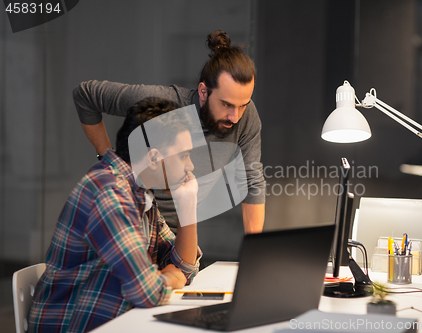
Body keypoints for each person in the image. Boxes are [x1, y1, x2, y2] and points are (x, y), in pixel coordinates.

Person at [29, 97, 202, 333]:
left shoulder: (140, 194)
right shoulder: (111, 193)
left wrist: (187, 209)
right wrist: (170, 278)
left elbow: (184, 267)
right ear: (153, 158)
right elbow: (149, 292)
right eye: (184, 155)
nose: (190, 166)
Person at [73, 30, 266, 234]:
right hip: (134, 226)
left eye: (243, 105)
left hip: (179, 234)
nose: (235, 117)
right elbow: (85, 95)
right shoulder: (163, 105)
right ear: (203, 92)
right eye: (226, 104)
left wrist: (253, 251)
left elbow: (252, 181)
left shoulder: (245, 117)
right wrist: (109, 159)